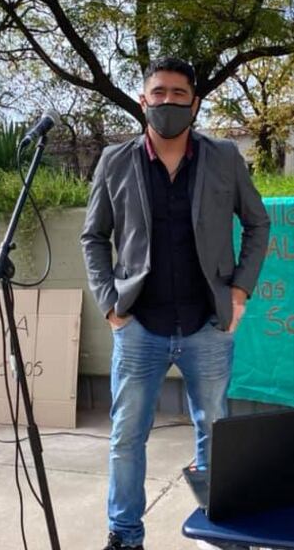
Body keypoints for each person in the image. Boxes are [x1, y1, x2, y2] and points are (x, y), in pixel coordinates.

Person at [81, 57, 271, 550]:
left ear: (195, 102)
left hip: (207, 324)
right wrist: (109, 305)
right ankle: (125, 535)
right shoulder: (114, 161)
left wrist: (241, 290)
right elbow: (93, 236)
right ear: (143, 101)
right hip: (139, 323)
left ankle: (220, 525)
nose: (168, 102)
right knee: (126, 437)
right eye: (159, 93)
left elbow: (258, 223)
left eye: (179, 94)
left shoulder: (224, 157)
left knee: (215, 432)